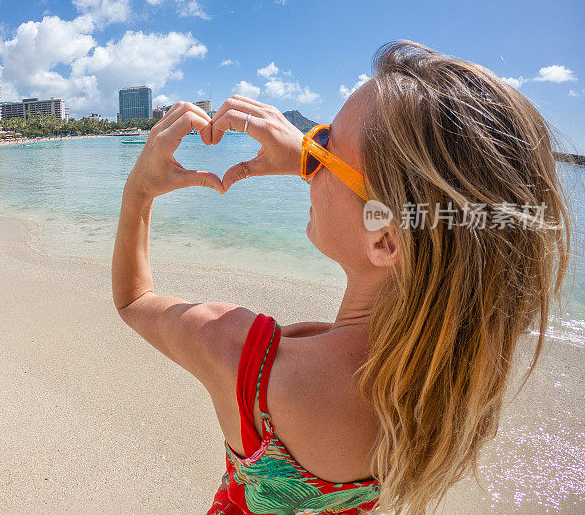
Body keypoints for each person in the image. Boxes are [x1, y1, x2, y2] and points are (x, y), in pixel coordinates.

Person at [111, 41, 572, 514]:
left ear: (385, 242)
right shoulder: (450, 380)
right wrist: (321, 165)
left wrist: (139, 191)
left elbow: (133, 299)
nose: (309, 150)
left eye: (325, 144)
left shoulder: (245, 359)